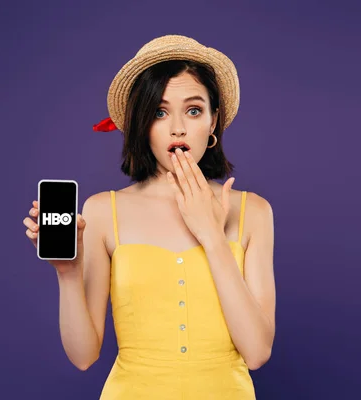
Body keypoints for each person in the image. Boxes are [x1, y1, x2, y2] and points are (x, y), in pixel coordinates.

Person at [22, 34, 276, 399]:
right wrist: (67, 272)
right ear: (142, 124)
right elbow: (83, 356)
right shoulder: (102, 210)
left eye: (193, 110)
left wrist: (212, 236)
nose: (177, 127)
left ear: (214, 120)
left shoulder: (253, 211)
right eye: (159, 111)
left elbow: (257, 352)